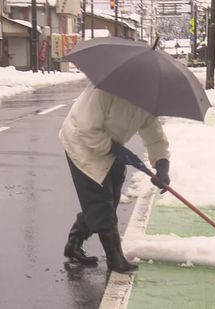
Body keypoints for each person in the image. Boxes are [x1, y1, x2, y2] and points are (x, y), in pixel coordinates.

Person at [59, 83, 171, 274]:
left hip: (109, 145)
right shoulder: (103, 90)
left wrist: (162, 166)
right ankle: (115, 259)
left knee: (110, 201)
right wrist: (117, 150)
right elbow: (86, 129)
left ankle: (74, 243)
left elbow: (155, 138)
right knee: (100, 203)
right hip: (81, 143)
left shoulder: (146, 103)